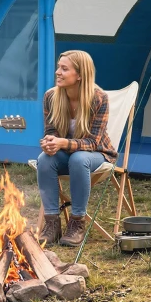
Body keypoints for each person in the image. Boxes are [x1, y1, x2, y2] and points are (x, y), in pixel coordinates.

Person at [36, 50, 116, 247]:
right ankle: (52, 223)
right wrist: (50, 143)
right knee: (44, 159)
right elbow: (51, 130)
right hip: (67, 156)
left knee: (79, 158)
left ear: (80, 75)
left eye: (64, 69)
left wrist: (63, 143)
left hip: (98, 155)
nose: (58, 72)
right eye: (58, 67)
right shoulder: (51, 97)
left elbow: (93, 143)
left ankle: (77, 223)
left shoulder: (99, 98)